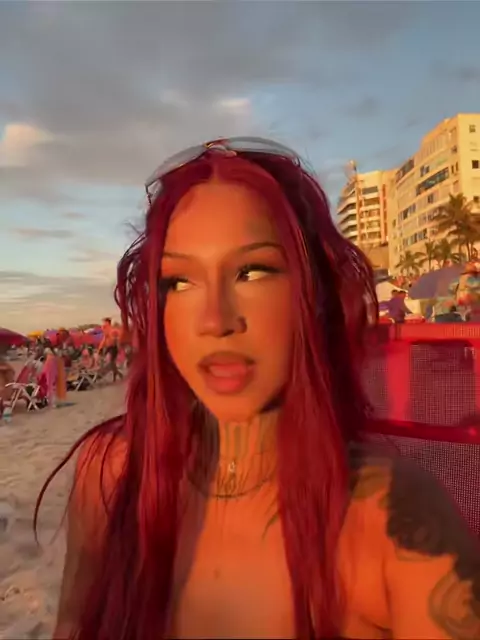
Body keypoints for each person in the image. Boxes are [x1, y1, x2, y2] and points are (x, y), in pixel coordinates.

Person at [39, 138, 480, 640]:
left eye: (252, 271)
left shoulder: (395, 518)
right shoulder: (111, 475)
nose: (215, 321)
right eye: (179, 281)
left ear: (315, 294)